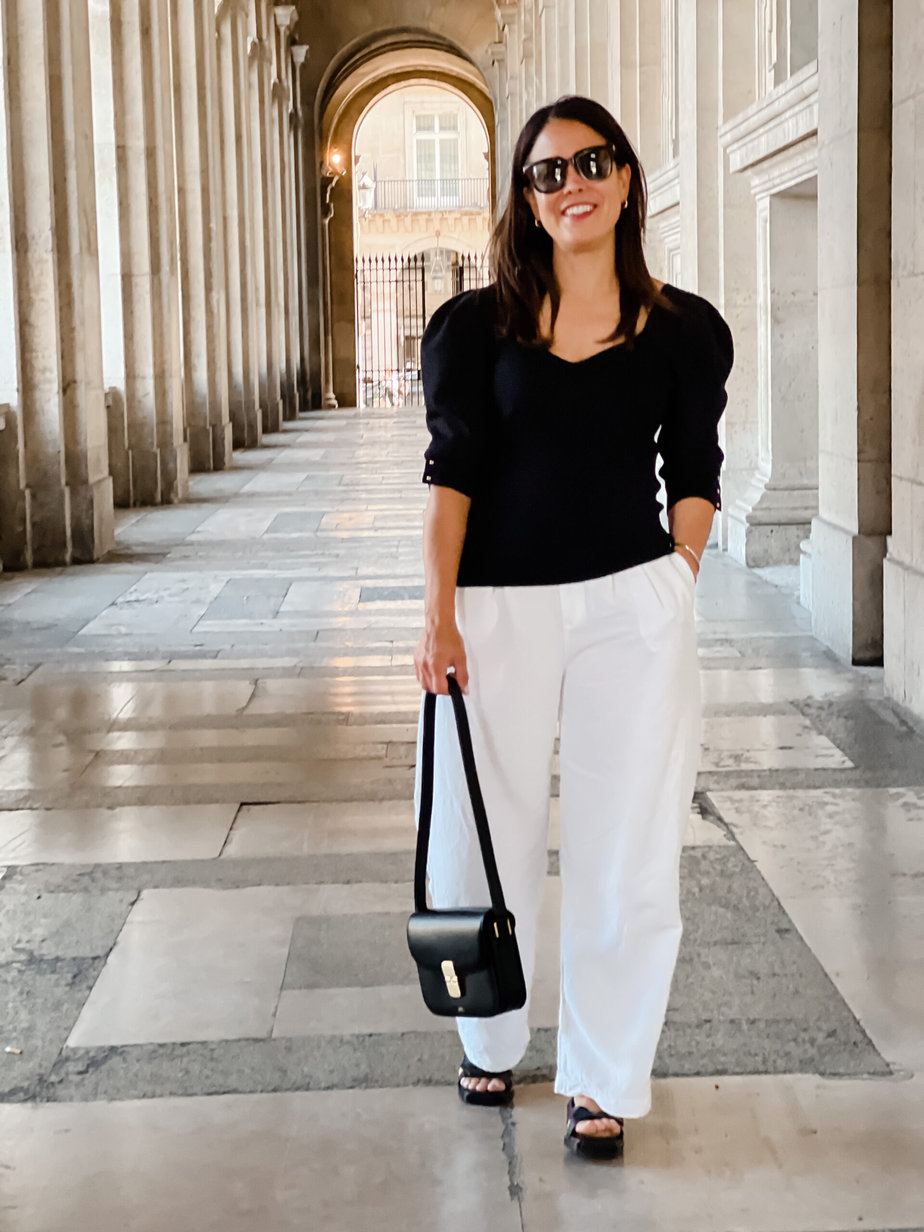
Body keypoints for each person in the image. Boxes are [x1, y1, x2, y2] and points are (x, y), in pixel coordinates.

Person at [413, 95, 733, 1161]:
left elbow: (696, 469)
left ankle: (603, 1075)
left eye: (591, 163)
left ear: (627, 178)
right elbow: (451, 476)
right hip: (494, 611)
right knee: (477, 834)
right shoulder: (475, 327)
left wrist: (678, 576)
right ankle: (490, 1034)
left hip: (629, 608)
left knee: (627, 843)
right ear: (526, 198)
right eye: (547, 172)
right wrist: (436, 615)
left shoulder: (683, 330)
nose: (572, 185)